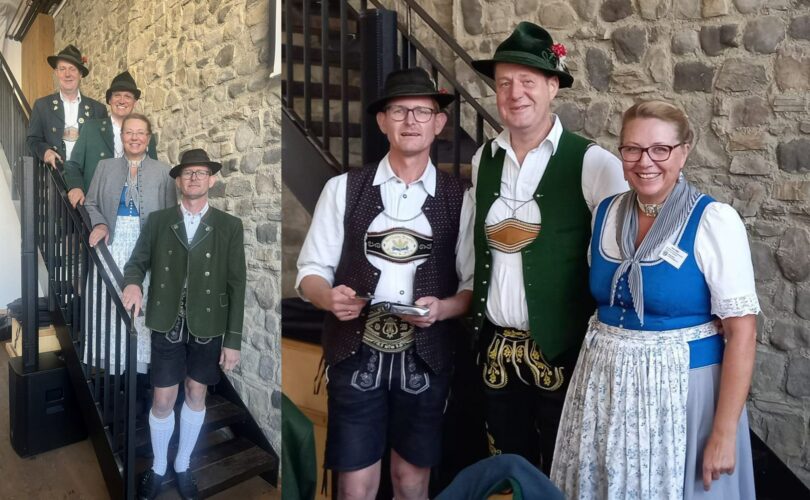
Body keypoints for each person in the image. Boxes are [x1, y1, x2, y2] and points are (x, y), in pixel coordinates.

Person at [551, 100, 758, 499]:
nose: (645, 161)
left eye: (660, 149)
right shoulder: (607, 213)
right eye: (632, 149)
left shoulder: (714, 221)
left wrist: (723, 432)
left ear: (684, 152)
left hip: (681, 391)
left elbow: (742, 334)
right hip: (604, 386)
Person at [296, 67, 473, 500]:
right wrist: (328, 297)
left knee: (411, 480)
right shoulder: (343, 188)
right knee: (355, 486)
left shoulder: (460, 197)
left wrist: (442, 309)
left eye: (422, 111)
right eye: (398, 111)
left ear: (438, 123)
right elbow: (310, 272)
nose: (410, 121)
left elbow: (471, 287)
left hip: (427, 356)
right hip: (355, 351)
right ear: (382, 121)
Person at [468, 21, 627, 472]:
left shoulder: (593, 163)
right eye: (504, 83)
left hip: (563, 350)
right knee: (507, 467)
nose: (514, 93)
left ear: (553, 86)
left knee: (564, 469)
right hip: (495, 349)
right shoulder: (483, 159)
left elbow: (622, 256)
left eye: (527, 81)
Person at [121, 148, 246, 500]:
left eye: (200, 172)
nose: (193, 178)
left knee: (196, 392)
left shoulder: (229, 226)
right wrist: (132, 283)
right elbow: (136, 263)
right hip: (167, 321)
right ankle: (160, 466)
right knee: (163, 399)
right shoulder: (159, 221)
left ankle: (183, 464)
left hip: (209, 322)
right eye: (187, 173)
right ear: (178, 181)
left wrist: (233, 340)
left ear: (211, 180)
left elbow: (237, 284)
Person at [83, 113, 175, 373]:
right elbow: (90, 203)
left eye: (140, 133)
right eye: (129, 132)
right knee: (108, 300)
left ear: (148, 138)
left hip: (146, 245)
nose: (135, 138)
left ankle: (138, 365)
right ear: (121, 136)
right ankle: (111, 365)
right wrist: (100, 224)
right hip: (112, 242)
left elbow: (170, 215)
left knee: (140, 301)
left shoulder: (164, 171)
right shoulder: (105, 167)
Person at [64, 70, 158, 208]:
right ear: (109, 100)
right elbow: (73, 165)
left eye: (128, 96)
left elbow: (154, 171)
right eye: (117, 95)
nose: (122, 100)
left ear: (135, 102)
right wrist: (76, 187)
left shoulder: (146, 134)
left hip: (135, 205)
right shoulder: (91, 129)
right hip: (97, 205)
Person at [27, 44, 107, 169]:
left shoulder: (98, 109)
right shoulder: (42, 106)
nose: (67, 74)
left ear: (80, 74)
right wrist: (46, 151)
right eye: (62, 69)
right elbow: (33, 139)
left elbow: (103, 146)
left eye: (72, 69)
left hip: (87, 176)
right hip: (55, 174)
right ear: (56, 73)